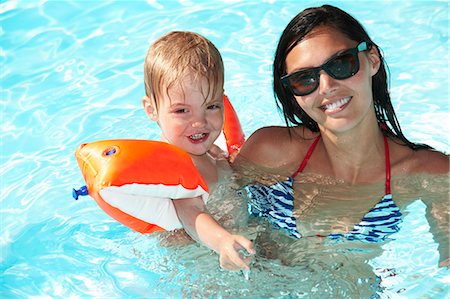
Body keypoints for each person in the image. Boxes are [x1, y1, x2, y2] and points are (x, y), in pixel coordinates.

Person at [236, 5, 449, 266]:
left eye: (340, 63)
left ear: (372, 59)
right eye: (305, 79)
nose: (327, 87)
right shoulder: (270, 151)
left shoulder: (429, 173)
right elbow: (201, 214)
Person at [142, 31, 255, 271]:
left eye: (211, 106)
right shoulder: (173, 166)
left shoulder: (205, 151)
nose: (199, 122)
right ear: (151, 109)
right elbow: (190, 212)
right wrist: (223, 241)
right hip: (203, 265)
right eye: (182, 111)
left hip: (233, 249)